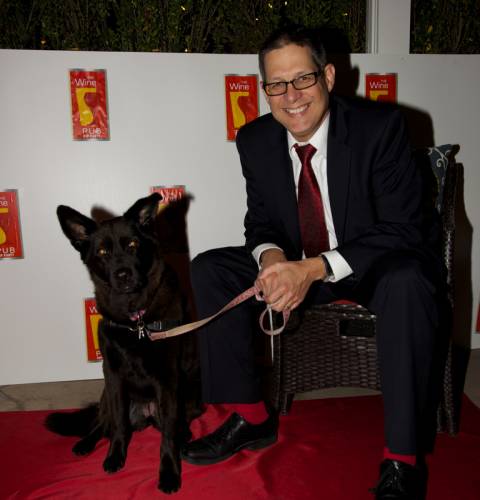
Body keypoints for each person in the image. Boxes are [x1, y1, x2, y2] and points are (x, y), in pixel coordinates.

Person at [181, 25, 446, 500]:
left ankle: (403, 460)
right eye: (276, 85)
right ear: (265, 90)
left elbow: (404, 229)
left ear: (327, 76)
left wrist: (313, 268)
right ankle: (252, 418)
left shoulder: (377, 128)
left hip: (375, 266)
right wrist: (276, 260)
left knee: (409, 281)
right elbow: (259, 222)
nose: (291, 96)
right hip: (303, 263)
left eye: (302, 79)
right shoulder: (255, 140)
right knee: (211, 268)